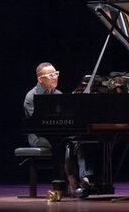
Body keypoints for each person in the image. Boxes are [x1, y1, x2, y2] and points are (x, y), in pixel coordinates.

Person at [24, 62, 93, 198]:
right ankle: (73, 183)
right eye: (51, 75)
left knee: (77, 142)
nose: (55, 77)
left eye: (56, 74)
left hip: (58, 134)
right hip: (39, 137)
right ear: (40, 79)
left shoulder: (59, 94)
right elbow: (37, 125)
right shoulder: (31, 97)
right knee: (65, 144)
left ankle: (84, 180)